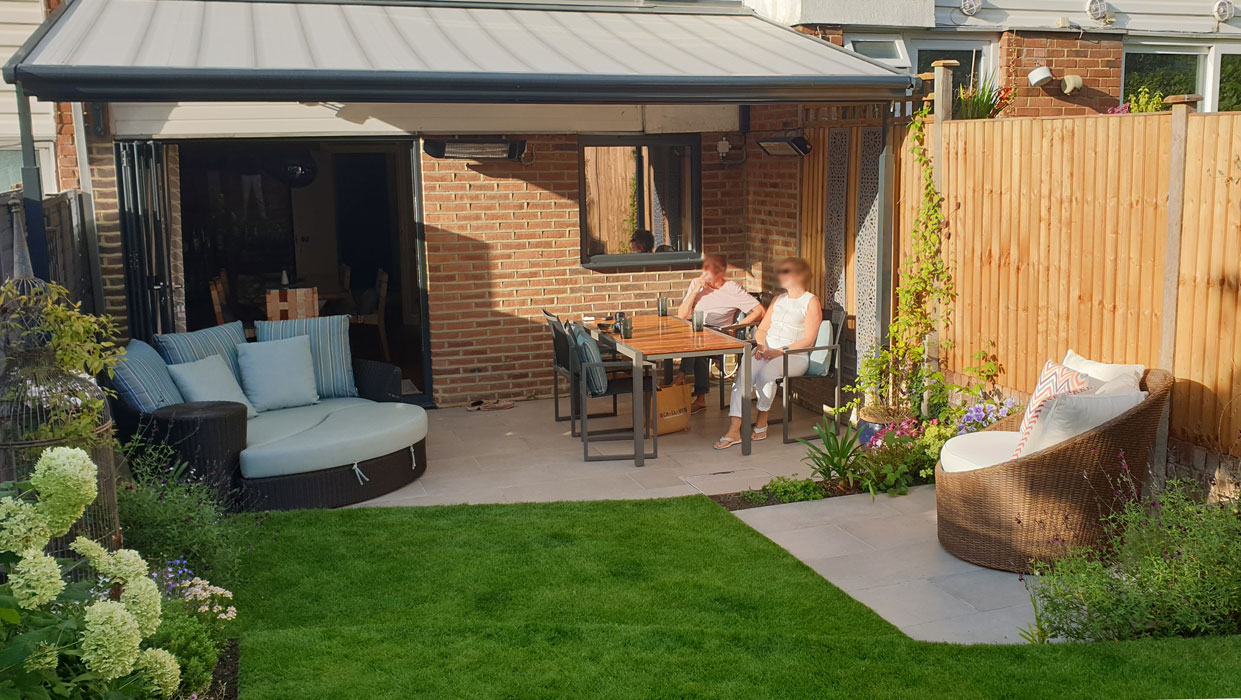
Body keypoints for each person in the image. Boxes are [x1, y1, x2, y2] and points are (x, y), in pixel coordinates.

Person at [713, 258, 822, 449]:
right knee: (744, 376)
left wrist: (778, 352)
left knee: (767, 374)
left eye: (785, 272)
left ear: (799, 275)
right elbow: (762, 329)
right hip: (767, 351)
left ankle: (762, 417)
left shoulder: (811, 301)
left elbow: (809, 340)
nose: (780, 275)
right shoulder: (777, 300)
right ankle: (734, 429)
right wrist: (762, 346)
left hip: (794, 355)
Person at [675, 254, 763, 413]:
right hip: (698, 332)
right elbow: (681, 315)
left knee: (696, 343)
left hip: (721, 334)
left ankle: (680, 378)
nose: (705, 272)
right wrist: (695, 291)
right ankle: (699, 398)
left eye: (710, 269)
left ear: (721, 272)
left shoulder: (732, 289)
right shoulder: (696, 284)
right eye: (705, 268)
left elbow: (759, 311)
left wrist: (736, 326)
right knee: (697, 345)